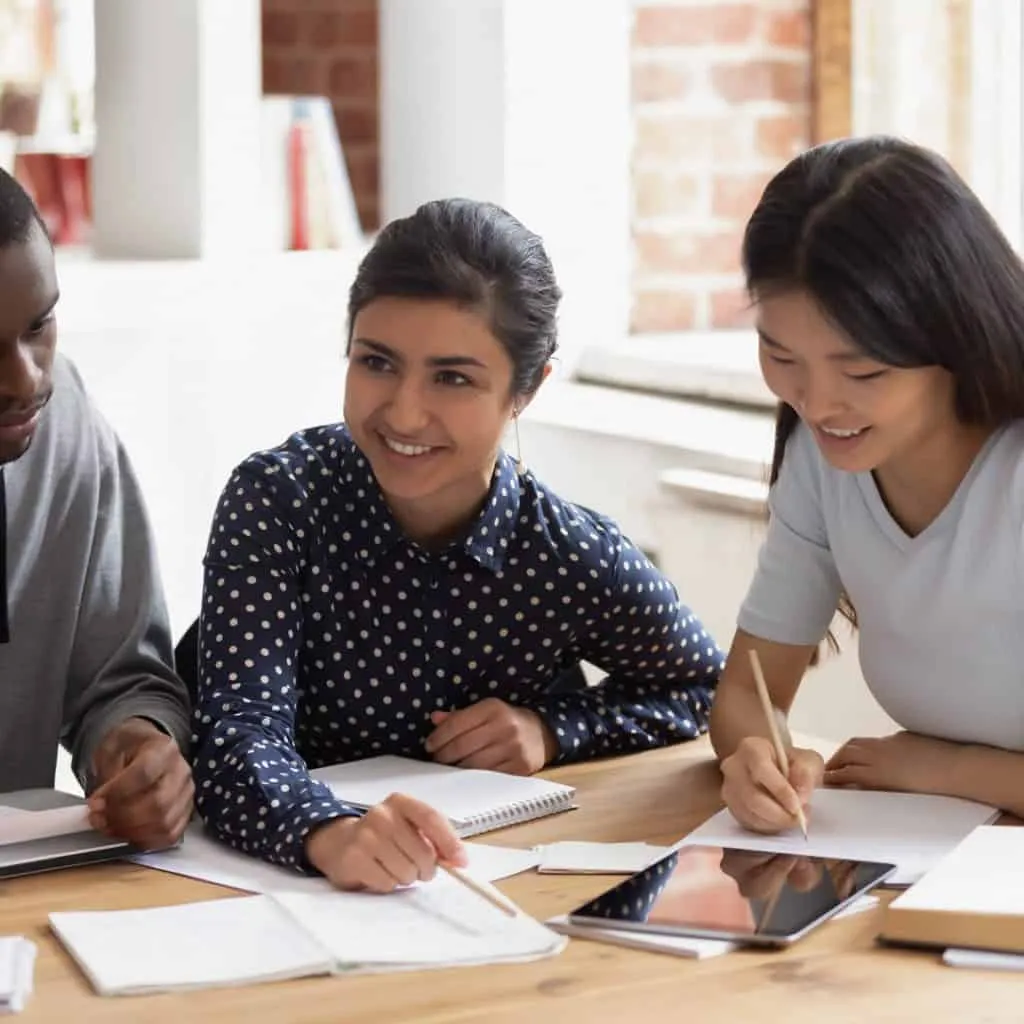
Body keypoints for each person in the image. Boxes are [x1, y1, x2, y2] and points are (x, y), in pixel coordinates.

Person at [192, 197, 723, 892]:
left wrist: (552, 729)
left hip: (492, 889)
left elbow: (707, 686)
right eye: (376, 362)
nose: (405, 412)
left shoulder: (563, 552)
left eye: (453, 378)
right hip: (273, 883)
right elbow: (236, 735)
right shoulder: (278, 500)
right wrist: (327, 833)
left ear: (526, 390)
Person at [709, 135, 1024, 833]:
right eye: (780, 354)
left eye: (863, 373)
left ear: (954, 337)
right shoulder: (825, 461)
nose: (817, 404)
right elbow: (747, 691)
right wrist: (758, 757)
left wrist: (948, 770)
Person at [0, 168, 192, 849]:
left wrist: (136, 745)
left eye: (40, 324)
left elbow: (119, 678)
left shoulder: (66, 423)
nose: (26, 379)